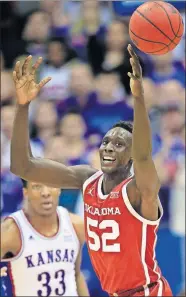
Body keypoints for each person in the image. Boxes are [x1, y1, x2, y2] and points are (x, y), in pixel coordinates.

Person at [11, 45, 172, 296]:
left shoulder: (139, 191)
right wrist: (22, 107)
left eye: (119, 144)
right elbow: (23, 166)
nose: (108, 147)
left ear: (130, 156)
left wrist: (139, 99)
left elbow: (143, 155)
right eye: (106, 141)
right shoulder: (87, 179)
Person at [0, 179, 89, 297]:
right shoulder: (10, 231)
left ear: (59, 189)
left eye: (51, 185)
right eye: (37, 187)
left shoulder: (76, 224)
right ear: (25, 192)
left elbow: (76, 274)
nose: (45, 193)